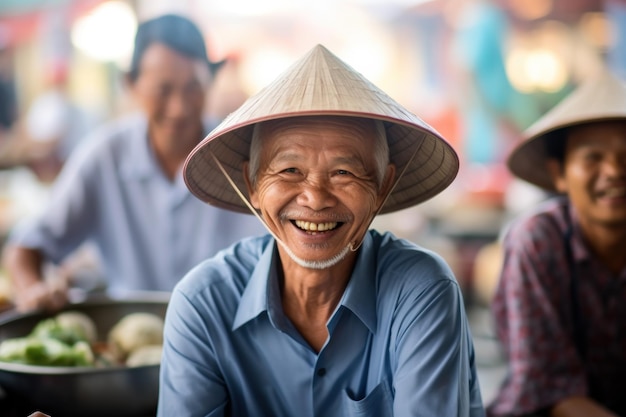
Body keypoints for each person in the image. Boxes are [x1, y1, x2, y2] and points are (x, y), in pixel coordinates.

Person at [157, 44, 484, 417]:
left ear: (381, 187)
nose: (315, 198)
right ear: (251, 184)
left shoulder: (420, 292)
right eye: (289, 170)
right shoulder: (203, 304)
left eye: (343, 172)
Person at [2, 14, 265, 312]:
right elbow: (27, 246)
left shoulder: (242, 156)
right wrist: (34, 289)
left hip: (228, 339)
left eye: (193, 88)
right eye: (163, 90)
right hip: (129, 344)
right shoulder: (104, 156)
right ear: (131, 84)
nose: (179, 108)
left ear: (211, 81)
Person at [488, 70, 626, 417]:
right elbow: (548, 388)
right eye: (593, 157)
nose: (613, 171)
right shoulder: (538, 241)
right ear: (559, 174)